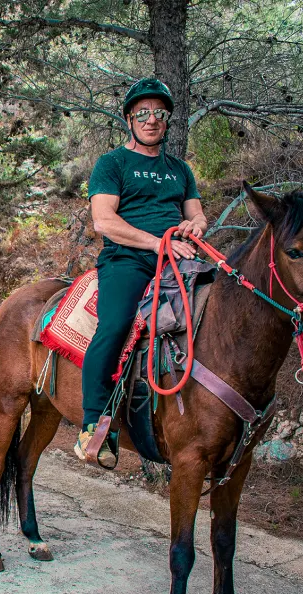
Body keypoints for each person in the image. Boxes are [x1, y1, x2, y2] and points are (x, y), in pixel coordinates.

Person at [76, 78, 209, 467]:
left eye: (159, 114)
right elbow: (103, 221)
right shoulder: (113, 163)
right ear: (130, 118)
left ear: (167, 120)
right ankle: (92, 423)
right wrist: (155, 243)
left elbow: (196, 211)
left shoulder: (179, 170)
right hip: (128, 260)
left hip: (179, 257)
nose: (152, 120)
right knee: (115, 325)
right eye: (143, 113)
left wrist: (196, 226)